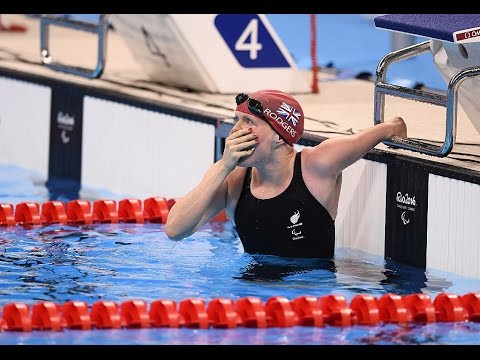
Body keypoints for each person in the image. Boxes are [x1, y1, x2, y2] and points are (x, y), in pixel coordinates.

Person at [165, 89, 406, 258]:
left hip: (309, 297)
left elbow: (380, 132)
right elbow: (175, 231)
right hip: (249, 298)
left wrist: (393, 128)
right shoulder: (233, 179)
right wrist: (223, 166)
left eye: (248, 122)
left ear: (280, 135)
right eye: (236, 120)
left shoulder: (317, 165)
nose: (236, 131)